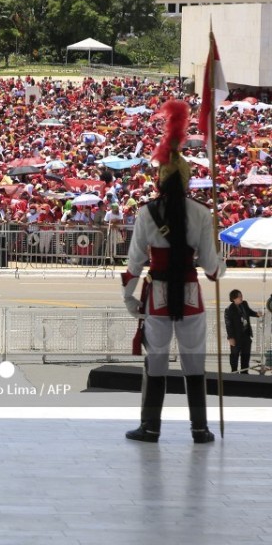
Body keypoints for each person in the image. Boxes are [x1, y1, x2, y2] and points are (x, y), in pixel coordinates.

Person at [122, 101, 224, 444]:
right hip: (191, 295)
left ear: (160, 180)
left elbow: (135, 263)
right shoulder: (202, 213)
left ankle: (151, 427)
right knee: (195, 365)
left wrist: (128, 297)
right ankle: (200, 428)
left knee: (156, 363)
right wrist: (220, 268)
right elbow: (212, 267)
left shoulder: (147, 213)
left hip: (159, 297)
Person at [224, 289, 258, 373]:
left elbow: (249, 312)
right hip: (236, 337)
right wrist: (230, 337)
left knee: (246, 356)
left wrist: (257, 314)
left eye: (241, 295)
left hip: (246, 335)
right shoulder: (229, 309)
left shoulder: (244, 304)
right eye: (239, 296)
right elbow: (228, 325)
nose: (241, 297)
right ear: (234, 298)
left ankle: (244, 372)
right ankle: (234, 372)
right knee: (234, 356)